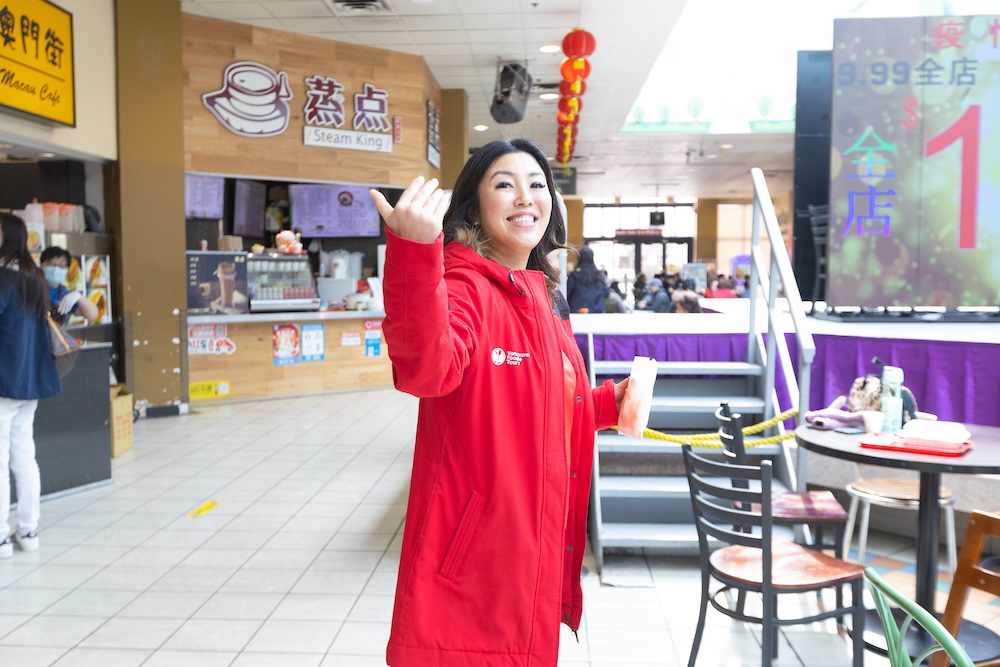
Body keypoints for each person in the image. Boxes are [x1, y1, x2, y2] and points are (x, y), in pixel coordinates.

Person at [369, 138, 628, 667]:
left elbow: (536, 400)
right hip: (478, 564)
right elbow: (427, 369)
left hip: (527, 550)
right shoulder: (463, 283)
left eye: (537, 185)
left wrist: (604, 404)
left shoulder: (541, 295)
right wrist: (415, 251)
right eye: (504, 185)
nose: (525, 197)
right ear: (474, 208)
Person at [0, 213, 61, 558]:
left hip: (3, 380)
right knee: (25, 457)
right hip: (30, 382)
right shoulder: (34, 277)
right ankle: (29, 530)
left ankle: (1, 537)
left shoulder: (2, 279)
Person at [39, 247, 99, 324]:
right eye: (51, 264)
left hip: (53, 335)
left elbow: (92, 315)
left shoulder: (66, 294)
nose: (55, 269)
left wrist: (78, 296)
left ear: (66, 270)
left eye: (61, 266)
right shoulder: (28, 287)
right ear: (41, 265)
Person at [566, 245, 609, 312]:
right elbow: (607, 293)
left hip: (577, 313)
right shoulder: (600, 276)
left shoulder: (573, 276)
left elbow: (567, 294)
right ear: (592, 257)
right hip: (597, 313)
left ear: (579, 258)